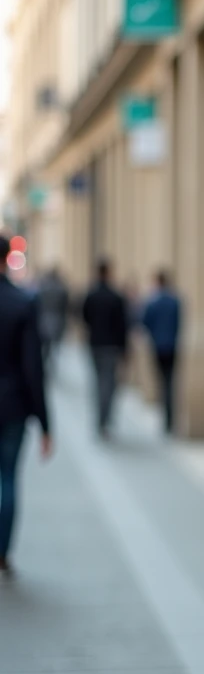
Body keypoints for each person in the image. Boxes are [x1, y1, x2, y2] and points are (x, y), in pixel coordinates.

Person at [0, 234, 52, 576]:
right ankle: (2, 554)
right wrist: (46, 424)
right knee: (8, 479)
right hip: (13, 405)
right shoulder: (22, 302)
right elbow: (34, 366)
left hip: (14, 405)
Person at [81, 259, 129, 440]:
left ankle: (101, 419)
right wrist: (125, 349)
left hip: (95, 344)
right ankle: (104, 419)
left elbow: (84, 316)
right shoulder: (115, 297)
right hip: (111, 346)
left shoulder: (91, 295)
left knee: (99, 382)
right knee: (108, 384)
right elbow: (123, 325)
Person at [140, 270, 182, 434]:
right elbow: (179, 323)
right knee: (170, 382)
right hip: (171, 346)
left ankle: (165, 418)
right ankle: (170, 418)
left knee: (161, 381)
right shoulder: (175, 301)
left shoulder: (153, 301)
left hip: (158, 346)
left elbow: (145, 322)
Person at [34, 267, 69, 375]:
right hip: (58, 321)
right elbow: (65, 307)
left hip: (44, 320)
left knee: (46, 347)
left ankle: (45, 364)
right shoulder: (61, 289)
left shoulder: (43, 288)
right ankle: (51, 366)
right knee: (55, 346)